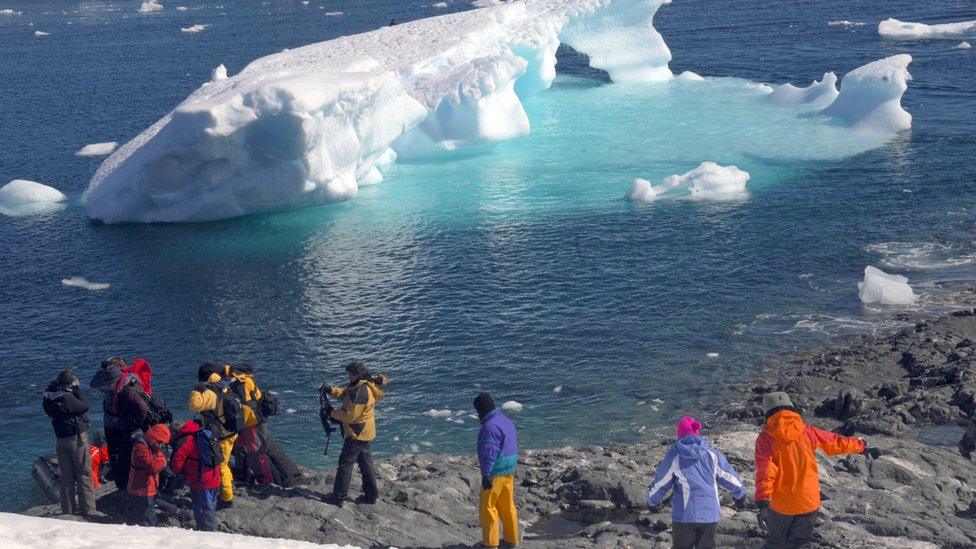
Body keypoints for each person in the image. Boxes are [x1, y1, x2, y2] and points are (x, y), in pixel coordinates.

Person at [755, 392, 881, 548]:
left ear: (767, 412)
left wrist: (762, 503)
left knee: (776, 543)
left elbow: (766, 470)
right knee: (800, 543)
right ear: (791, 409)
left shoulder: (765, 438)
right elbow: (835, 442)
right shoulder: (807, 431)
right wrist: (862, 447)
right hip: (808, 501)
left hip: (781, 505)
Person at [647, 417, 746, 549]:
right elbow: (729, 477)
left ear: (679, 434)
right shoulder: (712, 454)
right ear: (697, 432)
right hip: (710, 515)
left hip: (684, 517)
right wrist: (740, 495)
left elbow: (661, 483)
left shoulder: (674, 456)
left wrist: (652, 503)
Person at [321, 360, 388, 507]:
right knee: (366, 464)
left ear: (358, 375)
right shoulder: (360, 385)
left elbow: (351, 417)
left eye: (350, 374)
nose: (348, 376)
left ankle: (338, 497)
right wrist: (331, 390)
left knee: (345, 463)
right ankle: (371, 496)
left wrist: (331, 413)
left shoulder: (361, 392)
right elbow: (346, 396)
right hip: (367, 432)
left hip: (357, 433)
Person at [42, 370, 96, 517]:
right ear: (68, 385)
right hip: (76, 438)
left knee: (66, 476)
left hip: (61, 438)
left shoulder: (49, 398)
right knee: (84, 473)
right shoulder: (67, 398)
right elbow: (84, 406)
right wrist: (77, 391)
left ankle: (68, 510)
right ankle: (88, 509)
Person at [188, 362, 240, 507]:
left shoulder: (210, 393)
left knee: (221, 466)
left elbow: (194, 405)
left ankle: (226, 498)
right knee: (225, 462)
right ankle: (229, 485)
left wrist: (196, 390)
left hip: (222, 435)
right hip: (231, 432)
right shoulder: (224, 387)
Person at [474, 392, 519, 549]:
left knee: (488, 507)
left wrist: (486, 475)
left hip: (495, 472)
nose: (477, 414)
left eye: (478, 411)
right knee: (507, 506)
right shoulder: (506, 421)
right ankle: (511, 540)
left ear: (482, 410)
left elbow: (488, 453)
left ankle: (490, 544)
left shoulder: (489, 426)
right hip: (509, 470)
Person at [171, 419, 221, 531]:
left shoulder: (188, 440)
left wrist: (178, 473)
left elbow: (177, 462)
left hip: (200, 479)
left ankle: (208, 534)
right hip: (215, 475)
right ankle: (208, 531)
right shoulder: (206, 434)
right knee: (210, 506)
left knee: (202, 508)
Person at [126, 423, 170, 526]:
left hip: (147, 489)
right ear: (154, 438)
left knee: (149, 519)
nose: (161, 446)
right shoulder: (141, 447)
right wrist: (163, 460)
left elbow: (156, 460)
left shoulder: (149, 446)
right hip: (140, 491)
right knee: (147, 523)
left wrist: (160, 458)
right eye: (160, 442)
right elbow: (153, 467)